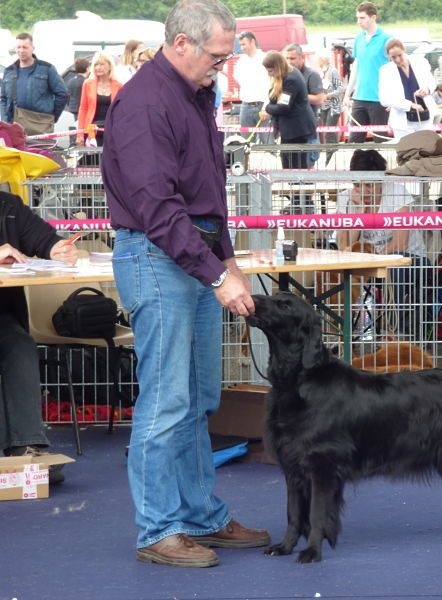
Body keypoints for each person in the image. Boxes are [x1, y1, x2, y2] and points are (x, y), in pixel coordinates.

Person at [101, 0, 268, 568]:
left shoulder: (192, 95)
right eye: (217, 58)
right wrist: (218, 271)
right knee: (167, 401)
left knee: (196, 399)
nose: (221, 68)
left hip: (187, 255)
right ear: (181, 44)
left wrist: (225, 261)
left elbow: (205, 192)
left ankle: (200, 517)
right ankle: (157, 530)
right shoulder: (146, 103)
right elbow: (157, 206)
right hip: (158, 256)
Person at [0, 191, 78, 483]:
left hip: (3, 317)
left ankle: (27, 448)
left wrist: (58, 248)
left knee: (20, 347)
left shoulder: (8, 206)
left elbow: (43, 239)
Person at [336, 149, 429, 335]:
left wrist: (374, 259)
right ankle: (342, 334)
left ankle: (397, 334)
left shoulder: (397, 194)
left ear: (382, 180)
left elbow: (400, 244)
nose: (364, 190)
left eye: (369, 185)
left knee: (395, 273)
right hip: (368, 262)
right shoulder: (346, 198)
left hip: (408, 259)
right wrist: (360, 210)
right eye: (358, 184)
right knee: (335, 277)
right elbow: (343, 247)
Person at [343, 2, 391, 143]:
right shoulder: (358, 38)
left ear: (373, 17)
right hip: (360, 97)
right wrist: (347, 95)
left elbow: (394, 70)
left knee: (380, 140)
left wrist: (392, 96)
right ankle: (357, 166)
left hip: (379, 98)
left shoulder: (386, 39)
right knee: (354, 140)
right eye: (357, 18)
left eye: (362, 18)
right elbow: (356, 68)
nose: (359, 21)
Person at [0, 33, 68, 133]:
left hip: (40, 126)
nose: (21, 50)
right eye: (18, 47)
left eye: (25, 47)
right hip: (14, 127)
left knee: (39, 149)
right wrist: (5, 120)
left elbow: (62, 94)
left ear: (33, 48)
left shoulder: (47, 69)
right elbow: (3, 99)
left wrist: (52, 117)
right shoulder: (9, 71)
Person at [261, 50, 317, 169]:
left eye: (270, 71)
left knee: (295, 168)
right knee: (288, 165)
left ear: (277, 67)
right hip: (290, 130)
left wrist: (267, 107)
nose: (269, 74)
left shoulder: (291, 79)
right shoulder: (289, 73)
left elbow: (283, 107)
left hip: (297, 130)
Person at [378, 38, 438, 140]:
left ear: (404, 50)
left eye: (399, 55)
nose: (397, 60)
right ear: (388, 56)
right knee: (406, 152)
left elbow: (432, 82)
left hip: (425, 118)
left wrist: (427, 89)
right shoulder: (385, 71)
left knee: (426, 150)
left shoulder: (421, 62)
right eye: (393, 57)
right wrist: (410, 105)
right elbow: (384, 99)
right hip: (402, 122)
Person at [284, 43, 324, 165]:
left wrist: (298, 95)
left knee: (306, 167)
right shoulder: (285, 75)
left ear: (302, 58)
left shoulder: (312, 75)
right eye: (287, 58)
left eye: (292, 58)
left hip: (307, 128)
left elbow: (319, 98)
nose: (289, 61)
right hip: (290, 129)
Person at [77, 52, 123, 148]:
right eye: (96, 65)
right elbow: (83, 109)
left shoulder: (118, 85)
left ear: (110, 66)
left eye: (102, 64)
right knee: (92, 161)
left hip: (112, 131)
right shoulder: (87, 84)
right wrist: (80, 134)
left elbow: (122, 111)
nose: (98, 67)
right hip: (91, 132)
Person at [233, 31, 271, 145]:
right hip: (245, 106)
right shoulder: (241, 62)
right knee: (246, 144)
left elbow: (272, 85)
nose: (242, 47)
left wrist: (266, 107)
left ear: (252, 41)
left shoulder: (265, 59)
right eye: (241, 45)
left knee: (268, 143)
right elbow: (237, 78)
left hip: (263, 106)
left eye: (244, 44)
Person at [317, 53, 344, 164]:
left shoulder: (333, 71)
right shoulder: (320, 72)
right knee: (329, 132)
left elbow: (340, 88)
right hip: (323, 106)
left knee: (329, 131)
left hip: (333, 106)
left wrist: (329, 95)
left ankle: (330, 157)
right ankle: (331, 156)